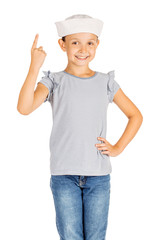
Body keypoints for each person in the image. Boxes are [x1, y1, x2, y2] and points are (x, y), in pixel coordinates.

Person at [17, 14, 143, 240]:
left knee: (95, 237)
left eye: (90, 43)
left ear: (97, 45)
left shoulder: (105, 82)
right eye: (75, 42)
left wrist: (118, 148)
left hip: (98, 176)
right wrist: (35, 66)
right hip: (64, 175)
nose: (83, 49)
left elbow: (135, 115)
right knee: (71, 236)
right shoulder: (54, 81)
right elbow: (24, 108)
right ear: (62, 44)